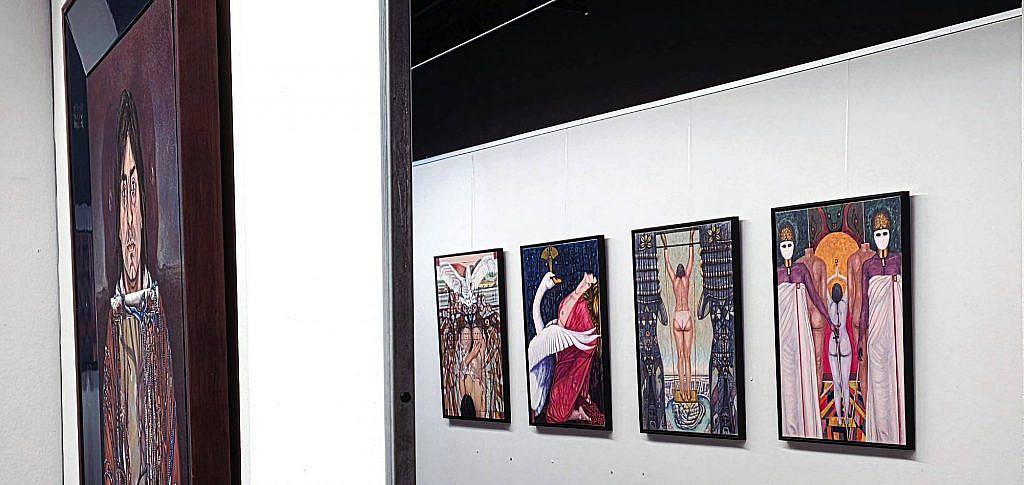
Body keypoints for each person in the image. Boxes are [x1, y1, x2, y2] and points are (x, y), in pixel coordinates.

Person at [102, 90, 181, 484]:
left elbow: (172, 442)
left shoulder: (160, 318)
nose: (130, 218)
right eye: (122, 192)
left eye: (135, 190)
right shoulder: (112, 325)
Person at [776, 223, 830, 439]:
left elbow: (818, 295)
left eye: (789, 245)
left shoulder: (802, 269)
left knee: (811, 362)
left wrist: (829, 318)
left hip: (807, 323)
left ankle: (812, 407)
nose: (787, 249)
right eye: (783, 245)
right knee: (792, 368)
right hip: (788, 328)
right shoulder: (778, 273)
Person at [858, 210, 906, 445]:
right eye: (878, 234)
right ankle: (882, 435)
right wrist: (861, 338)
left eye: (885, 233)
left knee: (897, 378)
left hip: (896, 333)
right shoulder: (868, 266)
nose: (882, 238)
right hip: (875, 336)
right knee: (878, 382)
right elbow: (864, 306)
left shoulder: (899, 260)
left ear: (891, 232)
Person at [545, 273, 603, 424]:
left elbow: (563, 312)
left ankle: (580, 410)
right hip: (569, 353)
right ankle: (580, 409)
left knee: (556, 411)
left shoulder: (581, 311)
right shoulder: (580, 308)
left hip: (570, 357)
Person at [663, 231, 696, 402]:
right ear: (683, 271)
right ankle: (687, 391)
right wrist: (691, 240)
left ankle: (683, 392)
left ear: (677, 271)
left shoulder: (675, 281)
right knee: (687, 356)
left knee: (680, 355)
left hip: (677, 316)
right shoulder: (686, 279)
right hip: (686, 315)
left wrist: (665, 245)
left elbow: (667, 263)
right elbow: (691, 260)